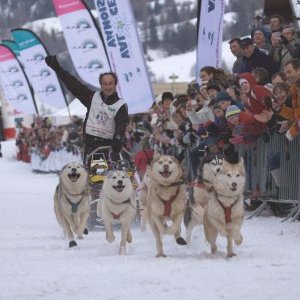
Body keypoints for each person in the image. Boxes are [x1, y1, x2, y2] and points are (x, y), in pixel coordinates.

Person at [45, 55, 129, 166]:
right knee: (96, 180)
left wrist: (117, 142)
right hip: (92, 148)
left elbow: (121, 126)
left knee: (112, 181)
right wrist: (58, 69)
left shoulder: (120, 105)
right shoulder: (92, 98)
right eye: (105, 84)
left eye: (110, 84)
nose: (108, 87)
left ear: (115, 84)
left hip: (110, 148)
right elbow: (74, 85)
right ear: (101, 84)